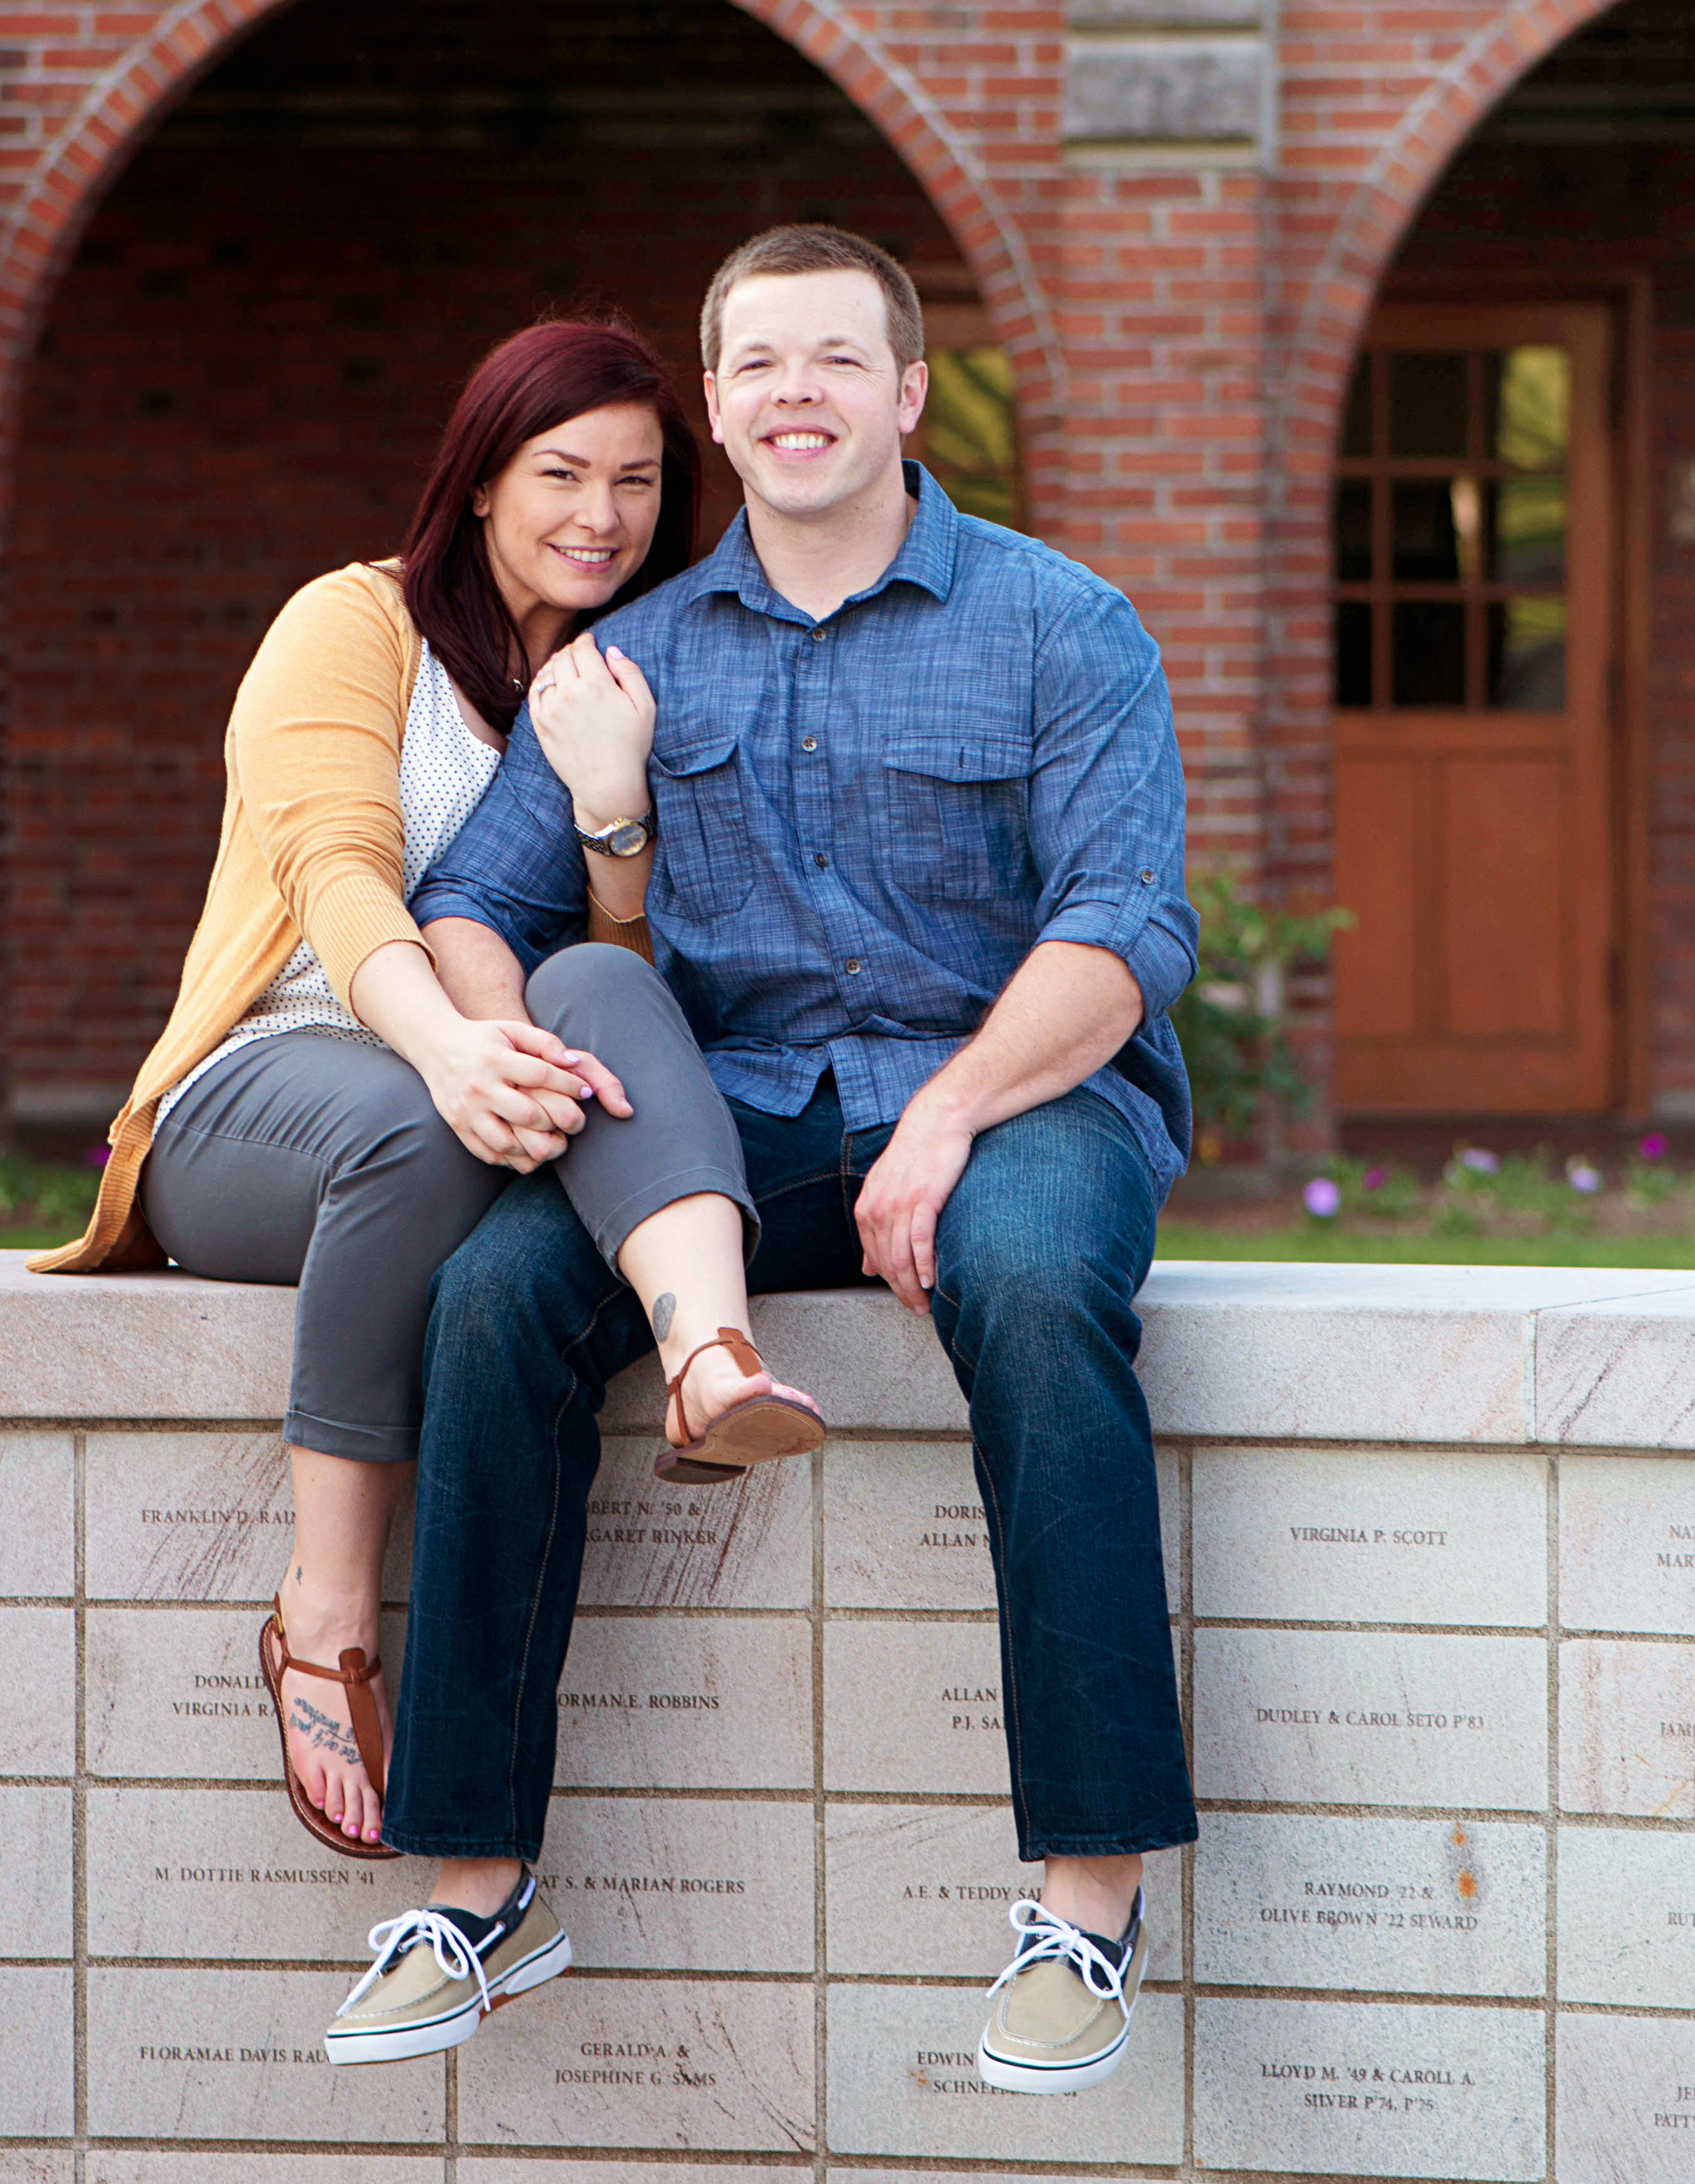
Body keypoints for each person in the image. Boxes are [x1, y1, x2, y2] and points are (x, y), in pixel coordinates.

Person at [321, 224, 1199, 2099]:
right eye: (758, 364)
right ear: (717, 407)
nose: (796, 392)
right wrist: (511, 1043)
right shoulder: (626, 662)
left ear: (908, 393)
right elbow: (473, 900)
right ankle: (473, 1886)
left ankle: (1087, 1895)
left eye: (836, 357)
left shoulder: (1061, 623)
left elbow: (1124, 929)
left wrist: (951, 1112)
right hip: (739, 1119)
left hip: (1019, 1097)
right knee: (496, 1292)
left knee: (1035, 1281)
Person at [31, 315, 819, 1858]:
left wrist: (611, 806)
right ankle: (322, 1608)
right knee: (419, 1123)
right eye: (562, 472)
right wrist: (450, 1048)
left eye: (639, 481)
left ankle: (705, 1352)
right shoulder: (351, 624)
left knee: (562, 1041)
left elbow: (621, 974)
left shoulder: (631, 671)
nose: (603, 514)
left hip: (495, 1085)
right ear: (478, 481)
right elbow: (335, 875)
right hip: (262, 1089)